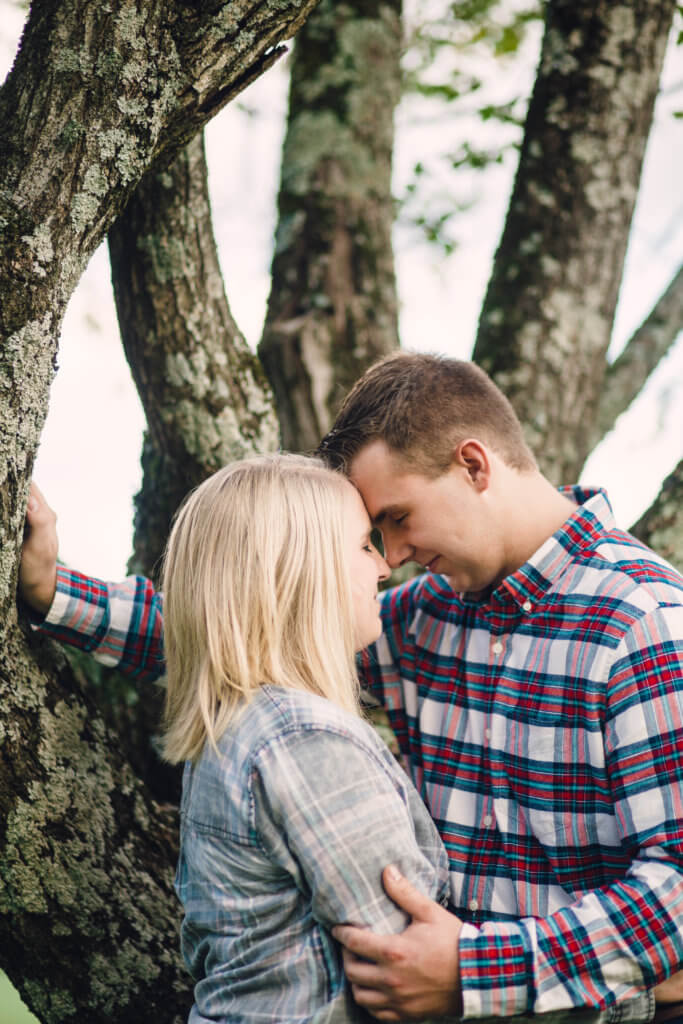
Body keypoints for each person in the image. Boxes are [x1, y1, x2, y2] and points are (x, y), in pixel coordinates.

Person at [19, 353, 683, 1024]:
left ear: (474, 466)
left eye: (396, 517)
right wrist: (55, 592)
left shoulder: (643, 622)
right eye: (372, 534)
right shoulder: (429, 614)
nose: (390, 558)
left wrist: (478, 973)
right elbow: (250, 629)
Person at [25, 454, 452, 1023]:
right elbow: (406, 961)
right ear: (300, 570)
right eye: (363, 545)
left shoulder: (247, 718)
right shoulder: (303, 739)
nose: (384, 566)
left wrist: (51, 589)